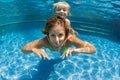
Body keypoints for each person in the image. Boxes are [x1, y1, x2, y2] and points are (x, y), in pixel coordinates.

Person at [21, 17, 96, 60]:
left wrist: (78, 50)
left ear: (66, 35)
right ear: (48, 35)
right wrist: (33, 49)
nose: (57, 41)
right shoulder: (45, 41)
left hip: (65, 49)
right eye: (53, 35)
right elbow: (23, 49)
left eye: (60, 35)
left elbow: (93, 49)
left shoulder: (70, 39)